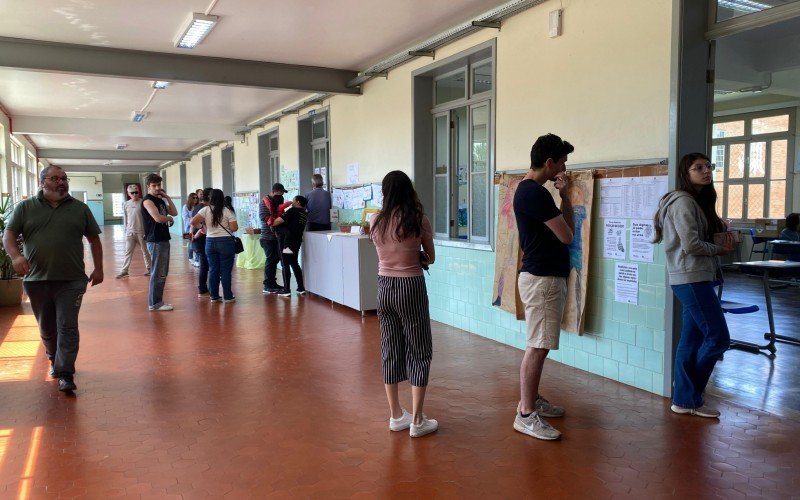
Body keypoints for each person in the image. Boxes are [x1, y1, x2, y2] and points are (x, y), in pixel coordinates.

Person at [3, 166, 103, 392]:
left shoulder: (80, 209)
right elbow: (8, 235)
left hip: (72, 280)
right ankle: (53, 357)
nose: (62, 182)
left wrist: (99, 269)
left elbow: (93, 240)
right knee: (47, 328)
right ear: (42, 182)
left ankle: (66, 372)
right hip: (37, 280)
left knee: (67, 326)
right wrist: (16, 256)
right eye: (55, 178)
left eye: (64, 179)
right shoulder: (25, 208)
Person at [654, 152, 735, 418]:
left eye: (709, 166)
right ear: (685, 173)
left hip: (694, 277)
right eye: (698, 167)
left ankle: (684, 399)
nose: (706, 171)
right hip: (691, 277)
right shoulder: (684, 202)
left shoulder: (695, 202)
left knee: (691, 338)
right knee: (719, 337)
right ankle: (688, 394)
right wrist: (719, 249)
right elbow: (691, 245)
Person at [512, 133, 575, 441]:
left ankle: (532, 400)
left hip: (541, 277)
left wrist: (564, 198)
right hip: (543, 280)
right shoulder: (535, 194)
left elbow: (566, 233)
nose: (563, 168)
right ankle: (526, 414)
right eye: (562, 162)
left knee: (539, 344)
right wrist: (565, 198)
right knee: (537, 347)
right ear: (549, 163)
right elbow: (567, 236)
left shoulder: (529, 191)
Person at [369, 170, 437, 438]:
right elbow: (430, 257)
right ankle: (418, 420)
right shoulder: (418, 219)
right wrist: (418, 256)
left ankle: (396, 415)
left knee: (390, 348)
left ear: (385, 193)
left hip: (384, 287)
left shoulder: (375, 220)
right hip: (411, 287)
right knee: (419, 350)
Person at [192, 189, 238, 303]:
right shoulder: (227, 211)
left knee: (213, 269)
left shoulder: (205, 210)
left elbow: (193, 222)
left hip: (210, 242)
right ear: (222, 198)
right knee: (226, 270)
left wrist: (203, 227)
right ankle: (228, 296)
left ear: (210, 198)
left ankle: (214, 296)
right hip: (225, 242)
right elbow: (234, 228)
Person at [141, 173, 178, 312]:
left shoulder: (160, 200)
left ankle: (158, 301)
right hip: (155, 240)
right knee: (158, 272)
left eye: (159, 185)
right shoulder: (148, 201)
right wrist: (168, 218)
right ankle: (155, 303)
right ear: (148, 186)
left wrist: (167, 198)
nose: (157, 188)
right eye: (154, 185)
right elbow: (157, 218)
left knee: (162, 271)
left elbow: (174, 212)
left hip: (163, 238)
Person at [272, 196, 308, 297]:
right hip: (296, 242)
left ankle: (286, 289)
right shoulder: (304, 213)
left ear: (297, 202)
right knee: (294, 263)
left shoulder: (293, 210)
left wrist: (271, 222)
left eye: (293, 200)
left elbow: (278, 221)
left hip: (286, 243)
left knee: (285, 264)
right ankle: (301, 287)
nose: (292, 202)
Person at [116, 184, 151, 278]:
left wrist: (147, 232)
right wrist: (125, 230)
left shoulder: (144, 202)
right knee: (128, 252)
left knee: (145, 251)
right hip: (130, 232)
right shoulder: (126, 204)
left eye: (136, 192)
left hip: (141, 232)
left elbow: (148, 218)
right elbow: (125, 218)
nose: (135, 194)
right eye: (132, 193)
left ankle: (150, 269)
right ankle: (124, 271)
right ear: (128, 193)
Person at [259, 183, 287, 294]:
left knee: (275, 260)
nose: (282, 194)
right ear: (274, 191)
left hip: (276, 237)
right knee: (271, 260)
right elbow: (263, 217)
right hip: (267, 237)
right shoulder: (264, 203)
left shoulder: (278, 201)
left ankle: (272, 282)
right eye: (281, 192)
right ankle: (267, 285)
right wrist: (275, 221)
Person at [191, 188, 212, 295]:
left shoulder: (197, 207)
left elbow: (192, 223)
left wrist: (192, 235)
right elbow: (200, 225)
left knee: (205, 264)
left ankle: (203, 287)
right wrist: (197, 234)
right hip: (200, 240)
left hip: (196, 240)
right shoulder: (205, 208)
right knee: (204, 265)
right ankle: (202, 288)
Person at [182, 192, 199, 267]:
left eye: (196, 198)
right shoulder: (185, 207)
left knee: (196, 243)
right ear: (190, 199)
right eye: (194, 198)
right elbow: (185, 218)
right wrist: (194, 219)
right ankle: (190, 257)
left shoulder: (197, 206)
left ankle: (196, 259)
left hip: (197, 227)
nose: (195, 199)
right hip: (189, 228)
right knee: (191, 243)